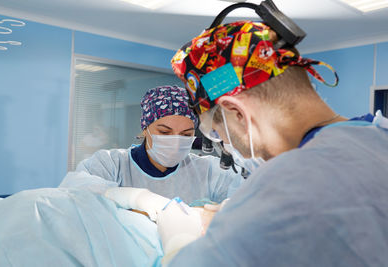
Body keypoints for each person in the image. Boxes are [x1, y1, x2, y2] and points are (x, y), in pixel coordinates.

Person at [156, 16, 388, 267]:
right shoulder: (378, 134)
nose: (223, 143)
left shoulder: (288, 187)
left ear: (237, 113)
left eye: (216, 132)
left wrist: (178, 239)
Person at [60, 85, 243, 221]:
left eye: (186, 134)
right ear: (145, 128)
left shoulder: (208, 170)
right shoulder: (111, 164)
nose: (175, 140)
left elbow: (247, 200)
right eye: (164, 132)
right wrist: (135, 199)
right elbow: (73, 194)